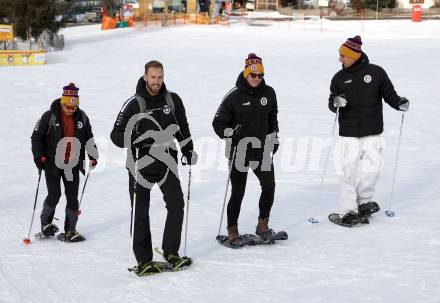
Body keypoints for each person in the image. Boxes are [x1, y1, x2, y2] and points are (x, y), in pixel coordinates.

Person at [110, 60, 197, 275]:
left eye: (159, 77)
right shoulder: (134, 103)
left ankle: (171, 251)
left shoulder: (172, 100)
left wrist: (188, 150)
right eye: (153, 77)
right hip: (141, 164)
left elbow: (182, 128)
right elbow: (115, 135)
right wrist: (135, 138)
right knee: (140, 212)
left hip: (167, 162)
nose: (156, 82)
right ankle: (143, 259)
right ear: (145, 76)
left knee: (176, 204)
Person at [328, 35, 410, 225]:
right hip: (348, 133)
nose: (340, 59)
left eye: (342, 55)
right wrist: (336, 102)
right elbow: (332, 103)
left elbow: (390, 95)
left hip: (372, 131)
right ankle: (348, 210)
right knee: (347, 172)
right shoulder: (339, 78)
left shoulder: (377, 73)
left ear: (353, 55)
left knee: (371, 170)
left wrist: (399, 103)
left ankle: (364, 202)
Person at [212, 53, 280, 244]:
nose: (257, 79)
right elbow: (218, 123)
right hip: (240, 150)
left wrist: (274, 139)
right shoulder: (233, 97)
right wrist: (229, 132)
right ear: (246, 73)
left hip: (261, 150)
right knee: (238, 191)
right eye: (253, 75)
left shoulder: (269, 93)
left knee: (269, 187)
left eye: (260, 76)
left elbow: (273, 119)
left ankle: (263, 225)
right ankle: (232, 230)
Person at [31, 83, 98, 242]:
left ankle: (70, 230)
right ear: (62, 102)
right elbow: (36, 137)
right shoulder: (49, 116)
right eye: (67, 106)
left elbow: (89, 137)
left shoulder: (82, 117)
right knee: (54, 195)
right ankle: (45, 224)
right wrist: (38, 155)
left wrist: (93, 154)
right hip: (52, 163)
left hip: (72, 164)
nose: (70, 109)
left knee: (72, 197)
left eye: (73, 107)